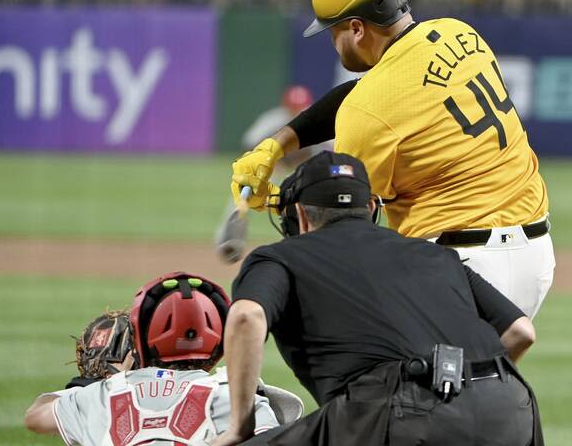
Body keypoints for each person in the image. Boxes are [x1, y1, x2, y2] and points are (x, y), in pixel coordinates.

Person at [230, 0, 554, 318]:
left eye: (333, 32)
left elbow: (345, 220)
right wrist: (277, 144)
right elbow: (367, 91)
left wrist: (278, 201)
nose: (333, 43)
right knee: (485, 375)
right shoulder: (458, 33)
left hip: (459, 269)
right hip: (536, 254)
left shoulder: (367, 113)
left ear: (356, 28)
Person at [214, 151, 542, 446]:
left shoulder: (281, 257)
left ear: (300, 214)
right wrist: (468, 394)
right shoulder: (435, 254)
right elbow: (521, 332)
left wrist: (239, 427)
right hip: (510, 406)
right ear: (370, 208)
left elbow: (246, 317)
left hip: (399, 411)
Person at [25, 272, 302, 445]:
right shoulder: (236, 397)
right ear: (219, 344)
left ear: (142, 341)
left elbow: (35, 417)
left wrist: (94, 381)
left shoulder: (101, 395)